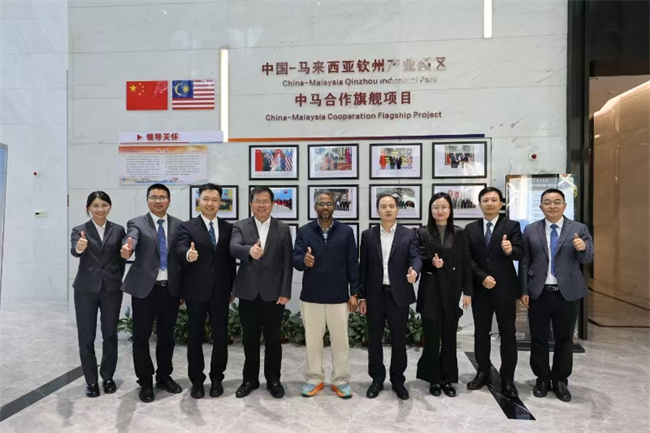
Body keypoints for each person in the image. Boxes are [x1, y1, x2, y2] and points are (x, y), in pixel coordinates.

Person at [520, 188, 594, 402]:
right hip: (539, 292)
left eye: (557, 202)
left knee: (564, 338)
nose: (552, 206)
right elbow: (524, 262)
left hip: (566, 293)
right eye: (547, 202)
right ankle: (542, 378)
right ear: (541, 206)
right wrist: (523, 290)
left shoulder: (579, 229)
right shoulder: (531, 229)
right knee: (538, 338)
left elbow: (588, 258)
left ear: (564, 205)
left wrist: (582, 247)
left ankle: (560, 380)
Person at [293, 190, 361, 399]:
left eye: (329, 203)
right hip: (311, 296)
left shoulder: (346, 232)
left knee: (340, 342)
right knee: (313, 342)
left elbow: (352, 263)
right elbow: (296, 259)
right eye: (321, 203)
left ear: (334, 206)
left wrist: (354, 293)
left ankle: (340, 381)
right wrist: (304, 261)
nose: (325, 207)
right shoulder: (304, 231)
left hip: (338, 296)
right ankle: (314, 379)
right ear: (315, 207)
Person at [120, 184, 183, 403]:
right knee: (141, 337)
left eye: (162, 197)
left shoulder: (179, 225)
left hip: (170, 289)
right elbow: (131, 238)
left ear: (169, 200)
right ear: (147, 200)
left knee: (167, 337)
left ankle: (164, 376)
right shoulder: (137, 223)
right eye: (154, 197)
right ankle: (145, 381)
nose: (158, 200)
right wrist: (127, 248)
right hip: (144, 290)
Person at [173, 183, 236, 399]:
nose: (210, 203)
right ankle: (197, 381)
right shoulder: (187, 227)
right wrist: (187, 255)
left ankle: (217, 379)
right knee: (194, 338)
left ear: (220, 203)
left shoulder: (228, 228)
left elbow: (230, 261)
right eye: (206, 199)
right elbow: (180, 248)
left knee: (220, 337)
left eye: (215, 200)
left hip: (221, 291)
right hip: (195, 291)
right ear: (198, 201)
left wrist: (232, 288)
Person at [230, 186, 293, 398]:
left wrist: (285, 290)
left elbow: (287, 263)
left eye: (266, 201)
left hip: (274, 294)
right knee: (249, 339)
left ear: (273, 204)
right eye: (257, 201)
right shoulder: (240, 226)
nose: (261, 205)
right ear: (251, 204)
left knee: (273, 340)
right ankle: (250, 380)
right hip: (248, 292)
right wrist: (249, 250)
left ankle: (273, 379)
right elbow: (233, 247)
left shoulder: (283, 228)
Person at [359, 194, 422, 400]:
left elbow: (416, 257)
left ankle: (398, 381)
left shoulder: (408, 235)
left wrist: (414, 271)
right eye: (383, 206)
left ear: (397, 209)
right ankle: (377, 379)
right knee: (374, 340)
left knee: (399, 340)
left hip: (398, 295)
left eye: (391, 206)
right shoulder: (368, 235)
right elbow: (363, 267)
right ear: (377, 210)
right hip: (375, 295)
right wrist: (362, 297)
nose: (388, 209)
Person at [465, 187, 523, 398]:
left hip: (505, 289)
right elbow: (467, 258)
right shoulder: (471, 228)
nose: (489, 203)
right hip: (481, 289)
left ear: (501, 203)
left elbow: (520, 253)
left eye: (494, 200)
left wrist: (510, 250)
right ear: (480, 204)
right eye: (485, 200)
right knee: (481, 333)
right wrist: (482, 277)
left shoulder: (512, 226)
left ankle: (507, 378)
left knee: (508, 334)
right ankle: (483, 371)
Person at [415, 192, 472, 397]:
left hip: (452, 290)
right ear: (430, 210)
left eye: (444, 207)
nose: (440, 211)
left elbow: (466, 263)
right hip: (430, 289)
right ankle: (433, 379)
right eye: (436, 207)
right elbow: (419, 258)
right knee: (431, 338)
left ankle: (447, 379)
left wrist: (467, 291)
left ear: (450, 209)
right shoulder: (422, 232)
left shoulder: (460, 233)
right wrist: (432, 263)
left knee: (449, 338)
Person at [70, 191, 126, 398]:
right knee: (87, 337)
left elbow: (121, 259)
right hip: (85, 289)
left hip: (111, 289)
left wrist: (116, 277)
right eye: (95, 205)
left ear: (109, 207)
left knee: (110, 334)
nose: (100, 209)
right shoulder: (79, 230)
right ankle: (91, 381)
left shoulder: (118, 230)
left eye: (104, 205)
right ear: (88, 208)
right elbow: (75, 251)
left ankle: (108, 377)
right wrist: (79, 247)